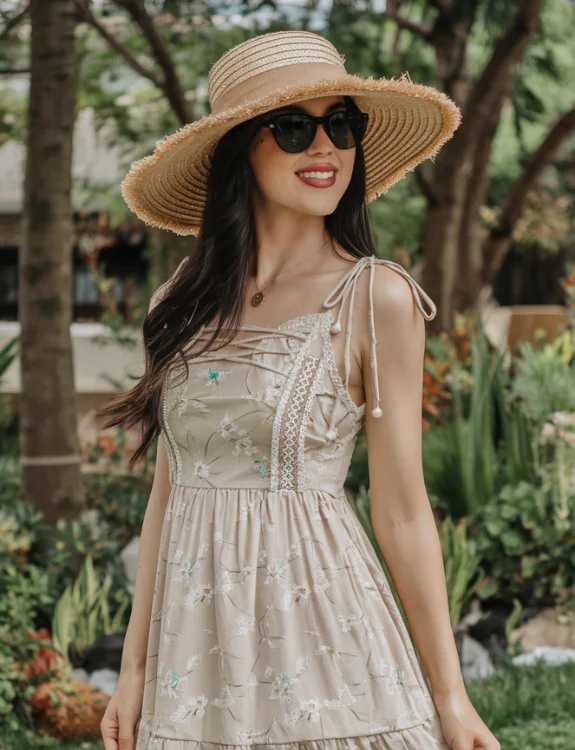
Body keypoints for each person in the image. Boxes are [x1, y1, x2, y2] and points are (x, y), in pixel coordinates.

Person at [98, 29, 500, 750]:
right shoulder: (176, 307)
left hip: (324, 639)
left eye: (340, 123)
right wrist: (132, 670)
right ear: (239, 151)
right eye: (292, 127)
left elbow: (402, 510)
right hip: (194, 662)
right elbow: (168, 492)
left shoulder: (374, 297)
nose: (325, 147)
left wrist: (451, 696)